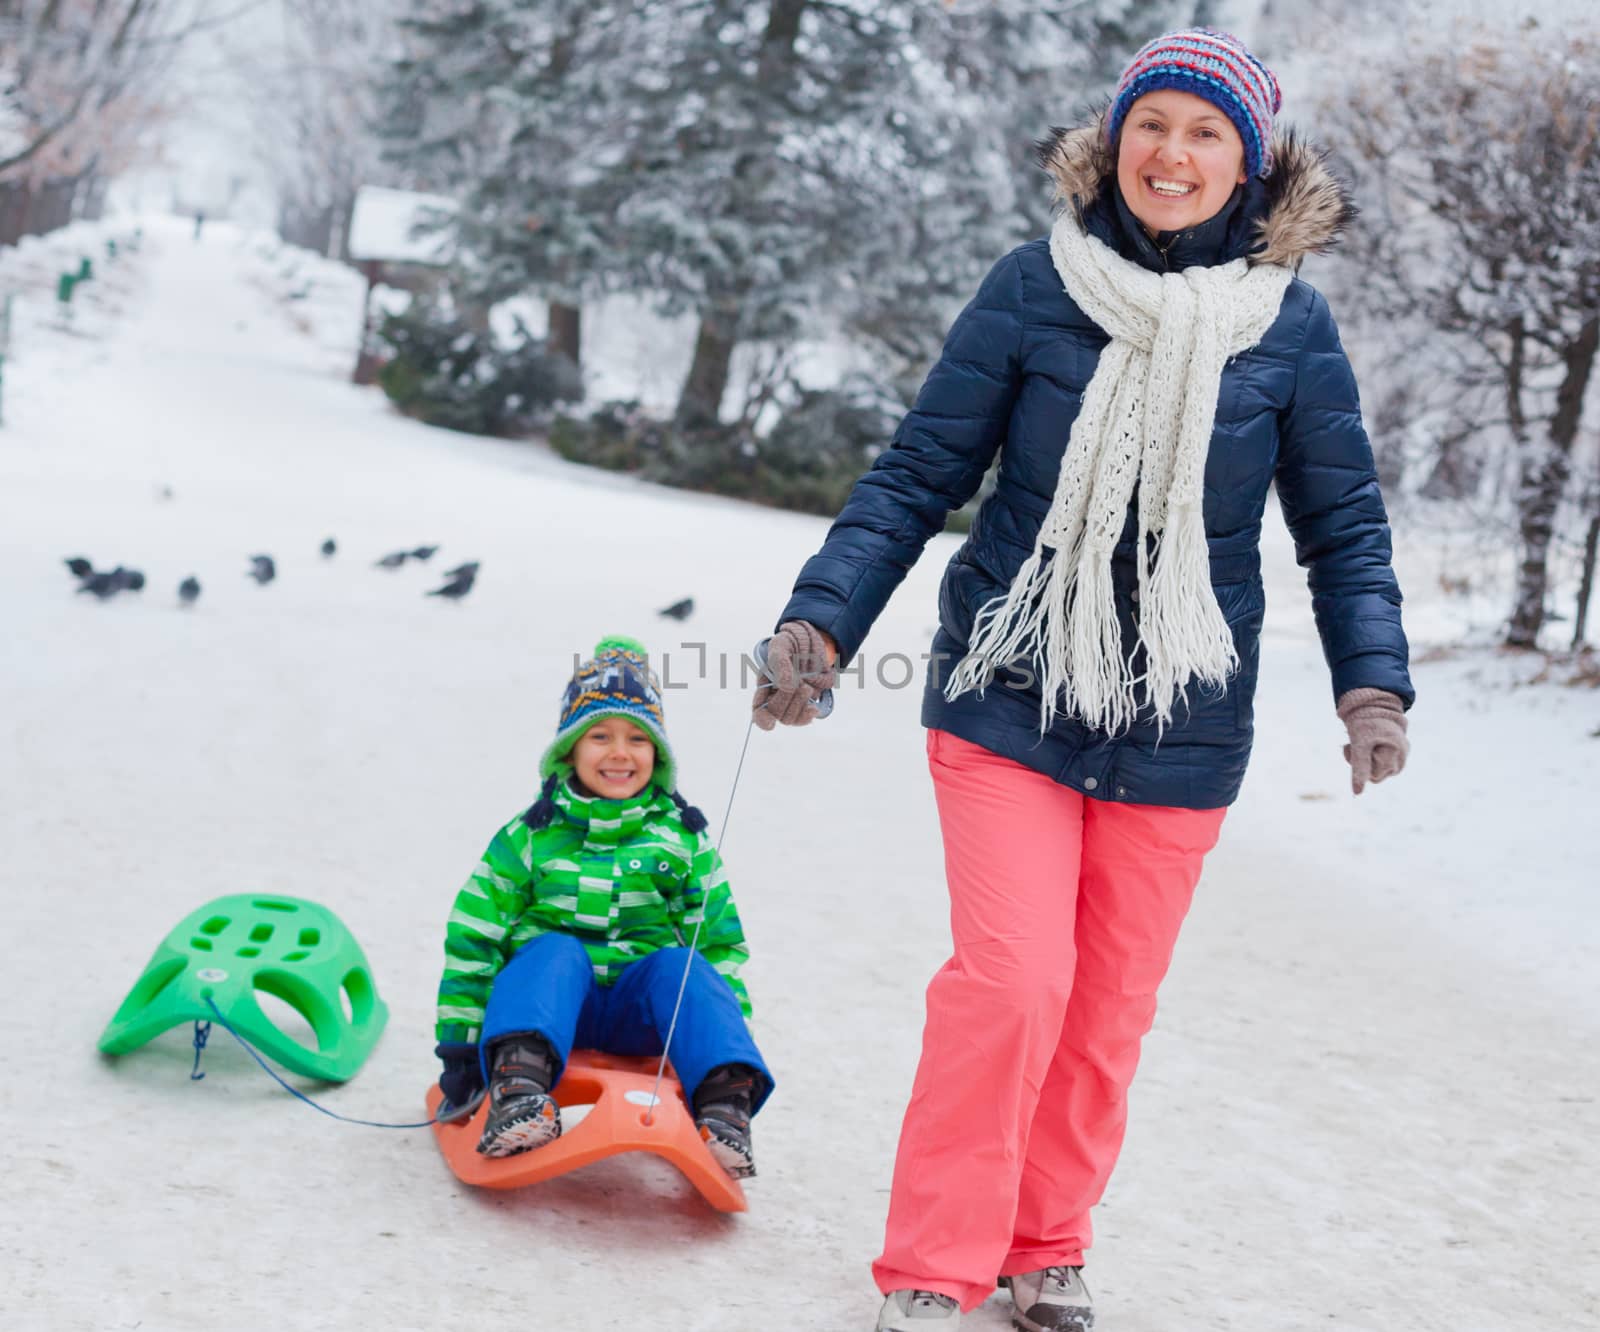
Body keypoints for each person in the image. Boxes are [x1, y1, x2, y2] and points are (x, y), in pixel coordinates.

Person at [753, 27, 1413, 1332]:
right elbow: (914, 475)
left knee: (1106, 1014)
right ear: (1115, 140)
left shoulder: (1291, 330)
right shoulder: (1032, 288)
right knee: (1012, 985)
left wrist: (1373, 685)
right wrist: (819, 625)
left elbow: (1345, 530)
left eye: (1205, 132)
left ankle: (1045, 1243)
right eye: (1153, 124)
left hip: (1182, 721)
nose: (1172, 154)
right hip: (1009, 691)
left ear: (1251, 162)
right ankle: (934, 1268)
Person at [433, 635, 773, 1177]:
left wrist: (724, 1040)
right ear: (568, 750)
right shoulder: (530, 836)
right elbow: (474, 938)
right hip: (545, 1014)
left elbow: (719, 947)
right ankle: (518, 1089)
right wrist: (459, 1049)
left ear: (658, 756)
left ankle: (723, 1109)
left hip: (644, 1019)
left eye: (638, 738)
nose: (619, 752)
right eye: (600, 736)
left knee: (681, 966)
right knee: (552, 951)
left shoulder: (682, 840)